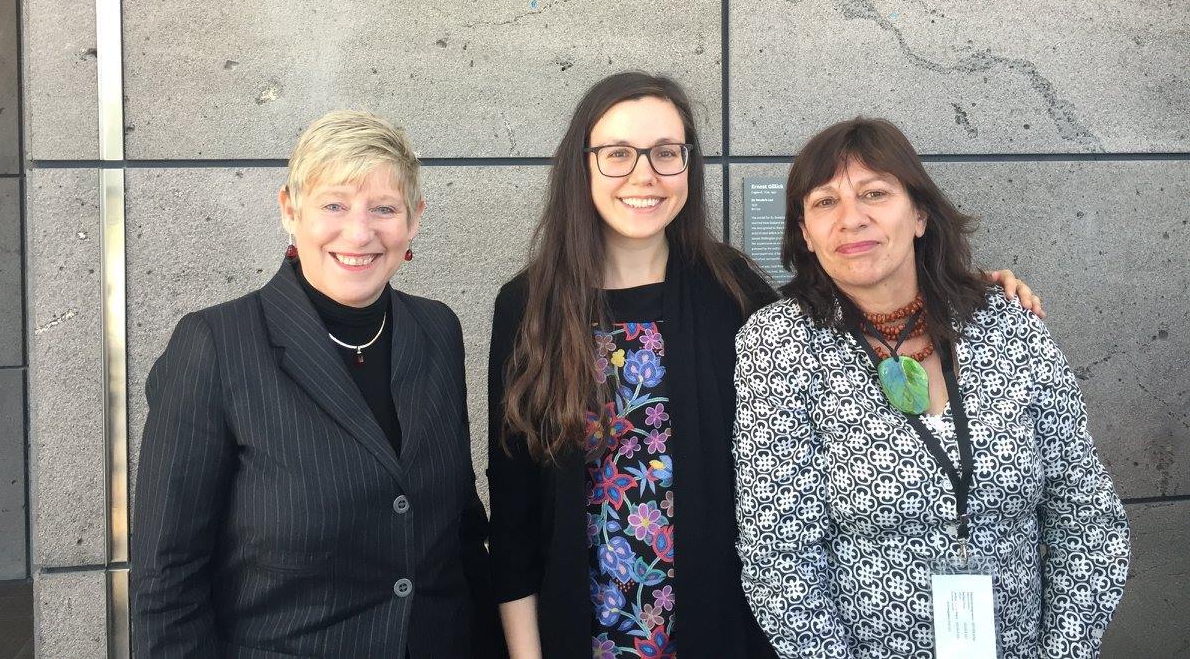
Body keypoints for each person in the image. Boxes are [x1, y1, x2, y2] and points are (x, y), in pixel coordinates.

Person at [486, 74, 1039, 659]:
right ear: (583, 165)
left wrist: (964, 294)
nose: (643, 175)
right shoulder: (528, 306)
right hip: (583, 633)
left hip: (724, 632)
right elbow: (515, 515)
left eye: (665, 153)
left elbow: (852, 308)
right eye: (618, 153)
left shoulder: (733, 291)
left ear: (688, 166)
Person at [733, 117, 1129, 659]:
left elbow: (1086, 514)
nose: (852, 219)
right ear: (804, 232)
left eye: (875, 193)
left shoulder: (1007, 324)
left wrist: (1062, 652)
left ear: (919, 214)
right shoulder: (780, 345)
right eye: (824, 203)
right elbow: (780, 554)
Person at [131, 111, 502, 659]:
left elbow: (459, 532)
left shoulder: (437, 330)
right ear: (290, 209)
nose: (360, 232)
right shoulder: (215, 345)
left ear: (413, 220)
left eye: (384, 208)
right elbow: (166, 580)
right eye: (335, 205)